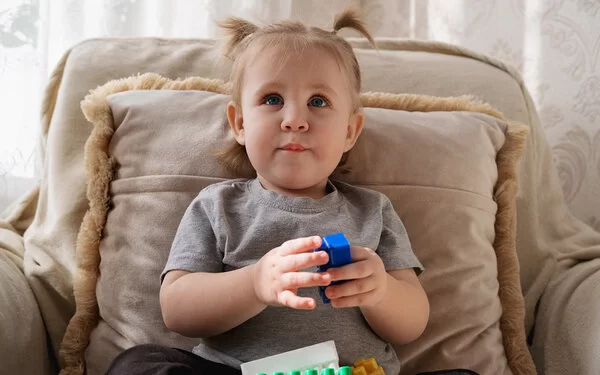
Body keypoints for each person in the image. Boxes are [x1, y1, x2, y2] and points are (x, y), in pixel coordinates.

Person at [107, 4, 432, 375]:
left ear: (349, 132)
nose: (294, 120)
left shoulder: (372, 211)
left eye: (318, 102)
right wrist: (254, 283)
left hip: (350, 370)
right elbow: (176, 311)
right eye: (272, 100)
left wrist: (381, 292)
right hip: (235, 370)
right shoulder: (218, 206)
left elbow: (412, 323)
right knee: (136, 365)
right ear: (240, 123)